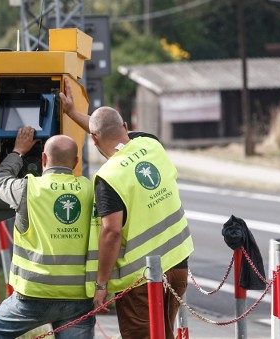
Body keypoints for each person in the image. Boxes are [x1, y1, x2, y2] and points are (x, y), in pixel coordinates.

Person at [60, 82, 194, 339]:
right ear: (125, 128)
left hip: (140, 281)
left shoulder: (109, 177)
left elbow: (111, 233)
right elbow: (105, 125)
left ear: (94, 139)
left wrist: (101, 285)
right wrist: (73, 113)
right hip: (177, 266)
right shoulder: (151, 144)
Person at [0, 128, 96, 339]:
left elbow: (0, 180)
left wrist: (18, 151)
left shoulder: (28, 188)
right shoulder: (90, 190)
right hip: (78, 295)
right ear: (76, 161)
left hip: (32, 294)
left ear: (43, 158)